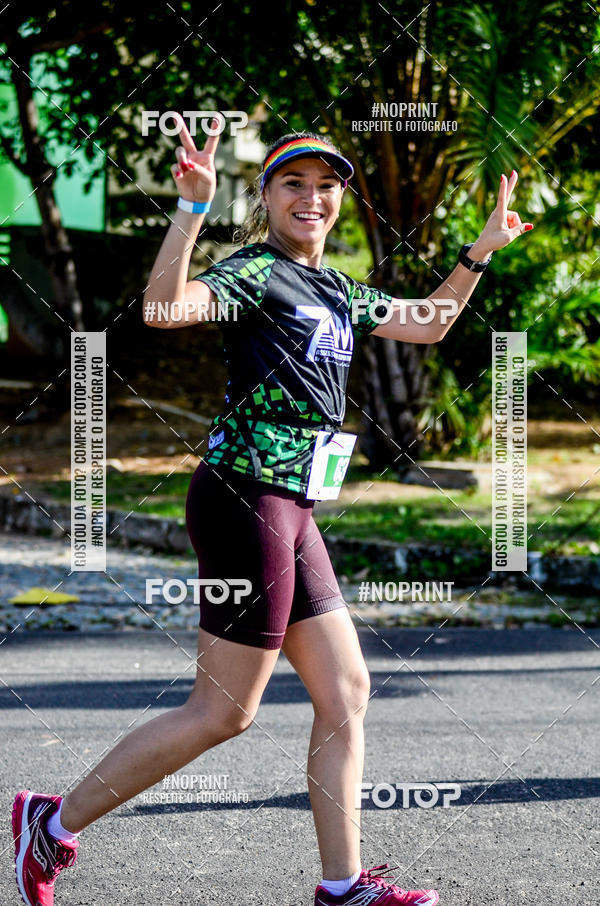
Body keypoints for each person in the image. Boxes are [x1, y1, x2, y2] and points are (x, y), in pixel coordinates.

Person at [12, 113, 533, 906]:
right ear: (266, 194)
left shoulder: (337, 286)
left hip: (292, 508)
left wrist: (478, 254)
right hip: (242, 499)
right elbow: (165, 308)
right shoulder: (256, 273)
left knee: (346, 691)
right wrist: (190, 211)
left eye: (327, 187)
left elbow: (426, 324)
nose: (313, 198)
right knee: (223, 712)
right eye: (295, 182)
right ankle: (52, 822)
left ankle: (343, 886)